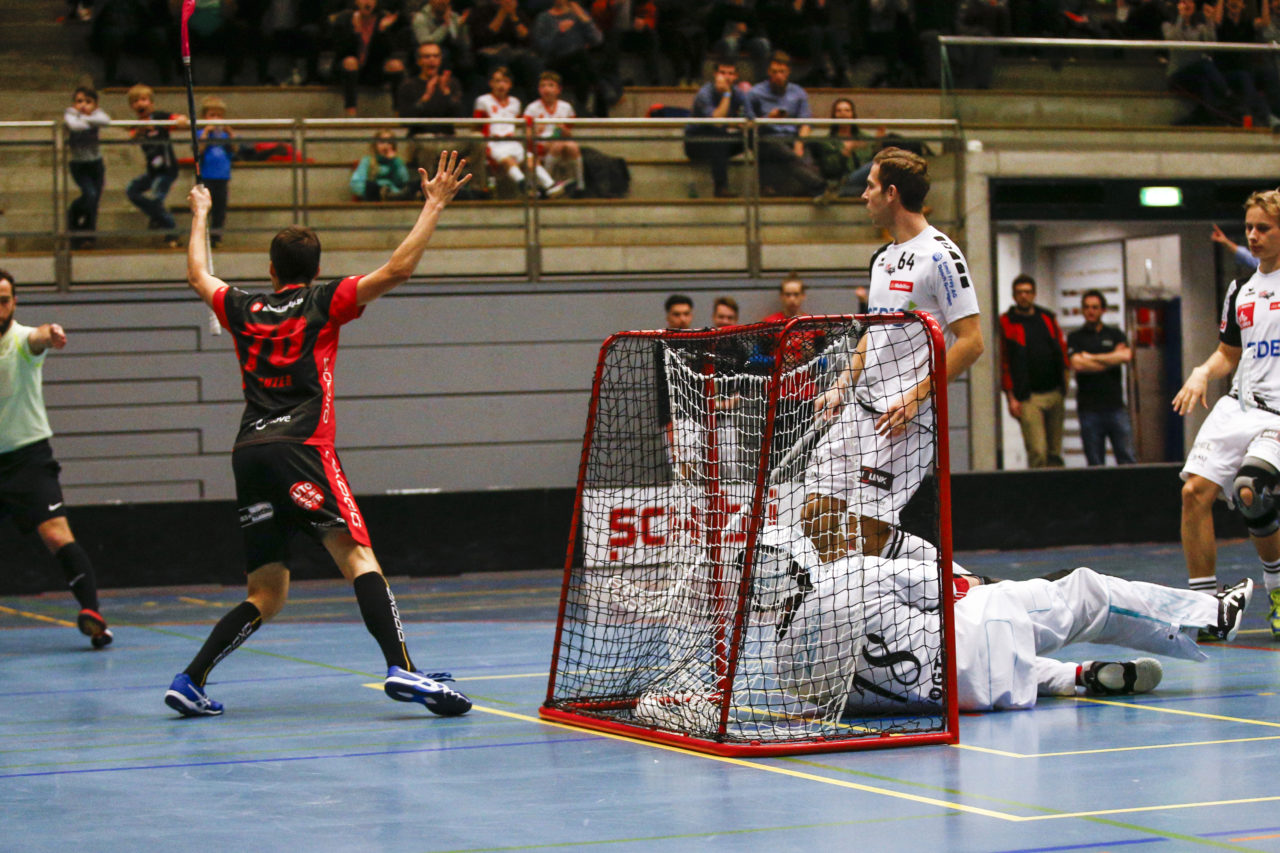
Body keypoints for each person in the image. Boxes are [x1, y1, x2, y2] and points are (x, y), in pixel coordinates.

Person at [163, 151, 474, 718]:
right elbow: (397, 270)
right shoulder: (323, 300)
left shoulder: (244, 306)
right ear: (314, 267)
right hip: (302, 448)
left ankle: (190, 679)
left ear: (273, 269)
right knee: (358, 557)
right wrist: (433, 205)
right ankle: (402, 667)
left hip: (249, 454)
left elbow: (197, 275)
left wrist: (201, 213)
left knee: (267, 592)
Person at [768, 530, 1255, 713]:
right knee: (1084, 593)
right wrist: (998, 584)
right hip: (988, 630)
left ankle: (1075, 678)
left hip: (964, 699)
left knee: (995, 664)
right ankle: (1211, 617)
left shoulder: (788, 669)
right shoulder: (854, 574)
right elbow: (957, 586)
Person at [801, 147, 984, 563]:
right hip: (858, 411)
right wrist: (841, 385)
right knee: (815, 515)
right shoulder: (881, 257)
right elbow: (873, 331)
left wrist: (918, 394)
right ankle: (842, 604)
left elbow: (971, 342)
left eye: (870, 186)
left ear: (892, 194)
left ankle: (950, 578)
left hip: (902, 420)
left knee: (871, 533)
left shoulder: (942, 257)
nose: (863, 195)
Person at [1174, 188, 1280, 637]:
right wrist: (1202, 372)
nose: (1253, 236)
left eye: (1264, 228)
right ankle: (1206, 609)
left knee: (1253, 490)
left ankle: (1276, 591)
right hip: (1237, 406)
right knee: (1193, 494)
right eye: (1249, 228)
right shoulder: (1241, 289)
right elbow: (1227, 353)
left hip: (1277, 415)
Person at [0, 270, 112, 649]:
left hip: (28, 459)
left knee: (56, 534)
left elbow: (39, 336)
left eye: (4, 300)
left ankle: (93, 615)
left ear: (14, 303)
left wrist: (52, 333)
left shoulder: (21, 341)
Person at [999, 273, 1069, 469]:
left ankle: (1056, 493)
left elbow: (1061, 351)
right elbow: (1004, 362)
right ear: (1014, 296)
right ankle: (1040, 495)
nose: (1024, 296)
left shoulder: (1047, 318)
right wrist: (1011, 397)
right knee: (1038, 451)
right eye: (1020, 292)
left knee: (1055, 452)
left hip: (1054, 392)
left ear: (1034, 294)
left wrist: (1065, 382)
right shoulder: (1007, 322)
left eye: (1028, 292)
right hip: (1028, 397)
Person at [1067, 289, 1136, 466]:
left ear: (1102, 310)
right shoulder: (1075, 337)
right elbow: (1078, 364)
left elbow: (1126, 356)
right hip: (1089, 410)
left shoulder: (1115, 334)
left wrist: (1091, 357)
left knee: (1126, 458)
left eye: (1095, 307)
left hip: (1116, 408)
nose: (1091, 311)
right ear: (1082, 310)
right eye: (1087, 307)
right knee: (1095, 464)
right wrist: (1110, 358)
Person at [744, 52, 825, 199]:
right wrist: (768, 118)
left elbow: (805, 122)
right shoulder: (755, 93)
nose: (778, 76)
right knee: (783, 151)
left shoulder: (798, 92)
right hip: (766, 138)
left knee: (806, 156)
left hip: (792, 136)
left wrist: (799, 143)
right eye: (774, 72)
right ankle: (820, 186)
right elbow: (747, 125)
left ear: (788, 73)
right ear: (768, 72)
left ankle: (812, 191)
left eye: (782, 72)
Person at [476, 67, 565, 197]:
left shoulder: (515, 102)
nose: (501, 85)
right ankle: (525, 186)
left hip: (512, 141)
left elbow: (521, 124)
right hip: (493, 142)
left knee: (530, 160)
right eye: (497, 81)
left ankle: (550, 186)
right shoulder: (483, 101)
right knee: (508, 160)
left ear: (510, 84)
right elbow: (476, 125)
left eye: (504, 81)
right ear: (491, 83)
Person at [125, 84, 187, 249]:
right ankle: (156, 217)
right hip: (152, 171)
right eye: (136, 101)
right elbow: (132, 139)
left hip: (167, 169)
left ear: (151, 103)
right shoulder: (136, 125)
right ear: (132, 106)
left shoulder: (159, 117)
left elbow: (179, 120)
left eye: (144, 99)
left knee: (155, 198)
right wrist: (140, 130)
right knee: (132, 191)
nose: (140, 104)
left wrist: (179, 120)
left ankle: (171, 230)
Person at [684, 58, 749, 199]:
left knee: (755, 135)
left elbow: (751, 118)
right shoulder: (704, 93)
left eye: (730, 74)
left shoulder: (738, 93)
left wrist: (744, 124)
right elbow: (717, 121)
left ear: (736, 76)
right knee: (718, 135)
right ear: (715, 74)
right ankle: (721, 188)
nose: (726, 77)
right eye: (722, 73)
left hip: (721, 141)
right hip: (695, 142)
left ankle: (767, 186)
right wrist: (726, 93)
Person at [331, 0, 409, 117]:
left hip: (372, 70)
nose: (367, 2)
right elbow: (340, 51)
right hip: (346, 71)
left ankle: (399, 112)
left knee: (396, 65)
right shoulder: (345, 18)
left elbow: (389, 52)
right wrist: (355, 33)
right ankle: (350, 111)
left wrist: (382, 31)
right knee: (351, 61)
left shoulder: (383, 19)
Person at [531, 0, 604, 115]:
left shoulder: (578, 14)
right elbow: (542, 47)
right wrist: (559, 32)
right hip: (554, 63)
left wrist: (584, 19)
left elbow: (597, 40)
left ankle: (581, 108)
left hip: (576, 66)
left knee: (581, 69)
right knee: (581, 55)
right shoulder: (544, 18)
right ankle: (600, 88)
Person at [64, 85, 109, 250]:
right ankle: (73, 216)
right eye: (79, 101)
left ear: (95, 105)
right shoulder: (70, 113)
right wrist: (86, 119)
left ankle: (88, 236)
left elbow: (105, 121)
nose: (83, 105)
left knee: (94, 200)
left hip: (96, 164)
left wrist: (84, 118)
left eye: (88, 102)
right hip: (79, 165)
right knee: (89, 194)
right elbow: (74, 126)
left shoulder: (96, 114)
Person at [523, 71, 584, 193]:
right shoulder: (532, 108)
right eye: (543, 86)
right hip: (538, 144)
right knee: (558, 144)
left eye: (551, 85)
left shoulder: (566, 107)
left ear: (558, 89)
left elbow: (569, 133)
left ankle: (580, 185)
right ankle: (546, 185)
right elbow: (527, 135)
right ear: (539, 89)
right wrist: (535, 131)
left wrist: (562, 130)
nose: (547, 89)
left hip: (557, 141)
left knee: (572, 146)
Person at [808, 97, 870, 205]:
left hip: (864, 181)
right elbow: (830, 170)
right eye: (839, 111)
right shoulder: (827, 142)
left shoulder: (864, 138)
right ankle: (840, 192)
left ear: (853, 115)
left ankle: (841, 193)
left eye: (847, 110)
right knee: (876, 164)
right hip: (843, 181)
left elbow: (867, 161)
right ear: (834, 116)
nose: (843, 114)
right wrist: (845, 152)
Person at [197, 95, 234, 248]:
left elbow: (235, 149)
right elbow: (199, 150)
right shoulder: (201, 133)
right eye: (212, 115)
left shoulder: (225, 135)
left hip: (222, 176)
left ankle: (216, 237)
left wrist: (231, 134)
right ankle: (202, 236)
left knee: (220, 208)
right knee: (206, 208)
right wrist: (206, 133)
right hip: (207, 176)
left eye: (219, 115)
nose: (216, 119)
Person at [349, 129, 412, 200]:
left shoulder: (397, 161)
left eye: (389, 143)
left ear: (393, 146)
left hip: (395, 193)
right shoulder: (367, 161)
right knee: (371, 186)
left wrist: (394, 162)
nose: (385, 146)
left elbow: (403, 181)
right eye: (382, 142)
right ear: (375, 145)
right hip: (374, 194)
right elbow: (356, 183)